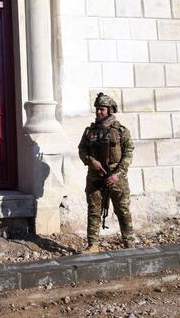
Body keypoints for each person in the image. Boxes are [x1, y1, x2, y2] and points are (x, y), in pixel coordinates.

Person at [77, 92, 135, 252]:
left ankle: (129, 244)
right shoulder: (90, 131)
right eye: (96, 109)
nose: (98, 112)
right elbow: (82, 150)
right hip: (95, 178)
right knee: (94, 211)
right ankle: (93, 245)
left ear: (110, 110)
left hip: (117, 178)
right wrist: (91, 161)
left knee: (122, 211)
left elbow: (128, 154)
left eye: (101, 109)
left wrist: (117, 174)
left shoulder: (121, 131)